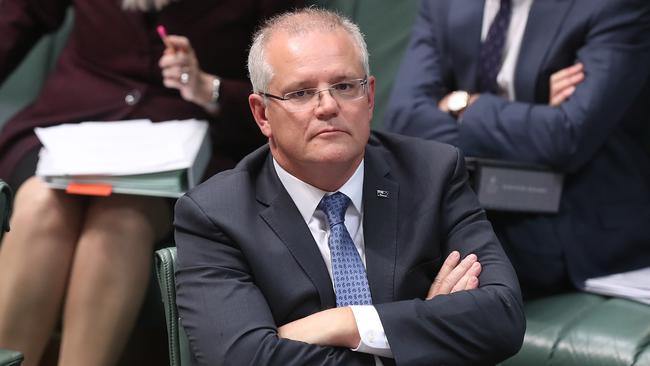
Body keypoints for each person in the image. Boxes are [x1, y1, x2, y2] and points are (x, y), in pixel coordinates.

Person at [174, 8, 525, 366]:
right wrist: (414, 334)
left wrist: (346, 323)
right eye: (300, 93)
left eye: (344, 87)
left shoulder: (433, 172)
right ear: (262, 114)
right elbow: (243, 360)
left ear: (370, 97)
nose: (327, 106)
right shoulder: (216, 215)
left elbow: (504, 316)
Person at [0, 0, 302, 365]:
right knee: (38, 204)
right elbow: (18, 16)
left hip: (187, 148)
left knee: (121, 217)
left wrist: (212, 89)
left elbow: (292, 96)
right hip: (72, 124)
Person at [385, 0, 650, 298]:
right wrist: (532, 113)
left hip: (568, 213)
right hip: (468, 193)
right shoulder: (444, 5)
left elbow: (565, 138)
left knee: (413, 262)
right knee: (374, 240)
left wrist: (458, 105)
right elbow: (404, 118)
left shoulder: (611, 7)